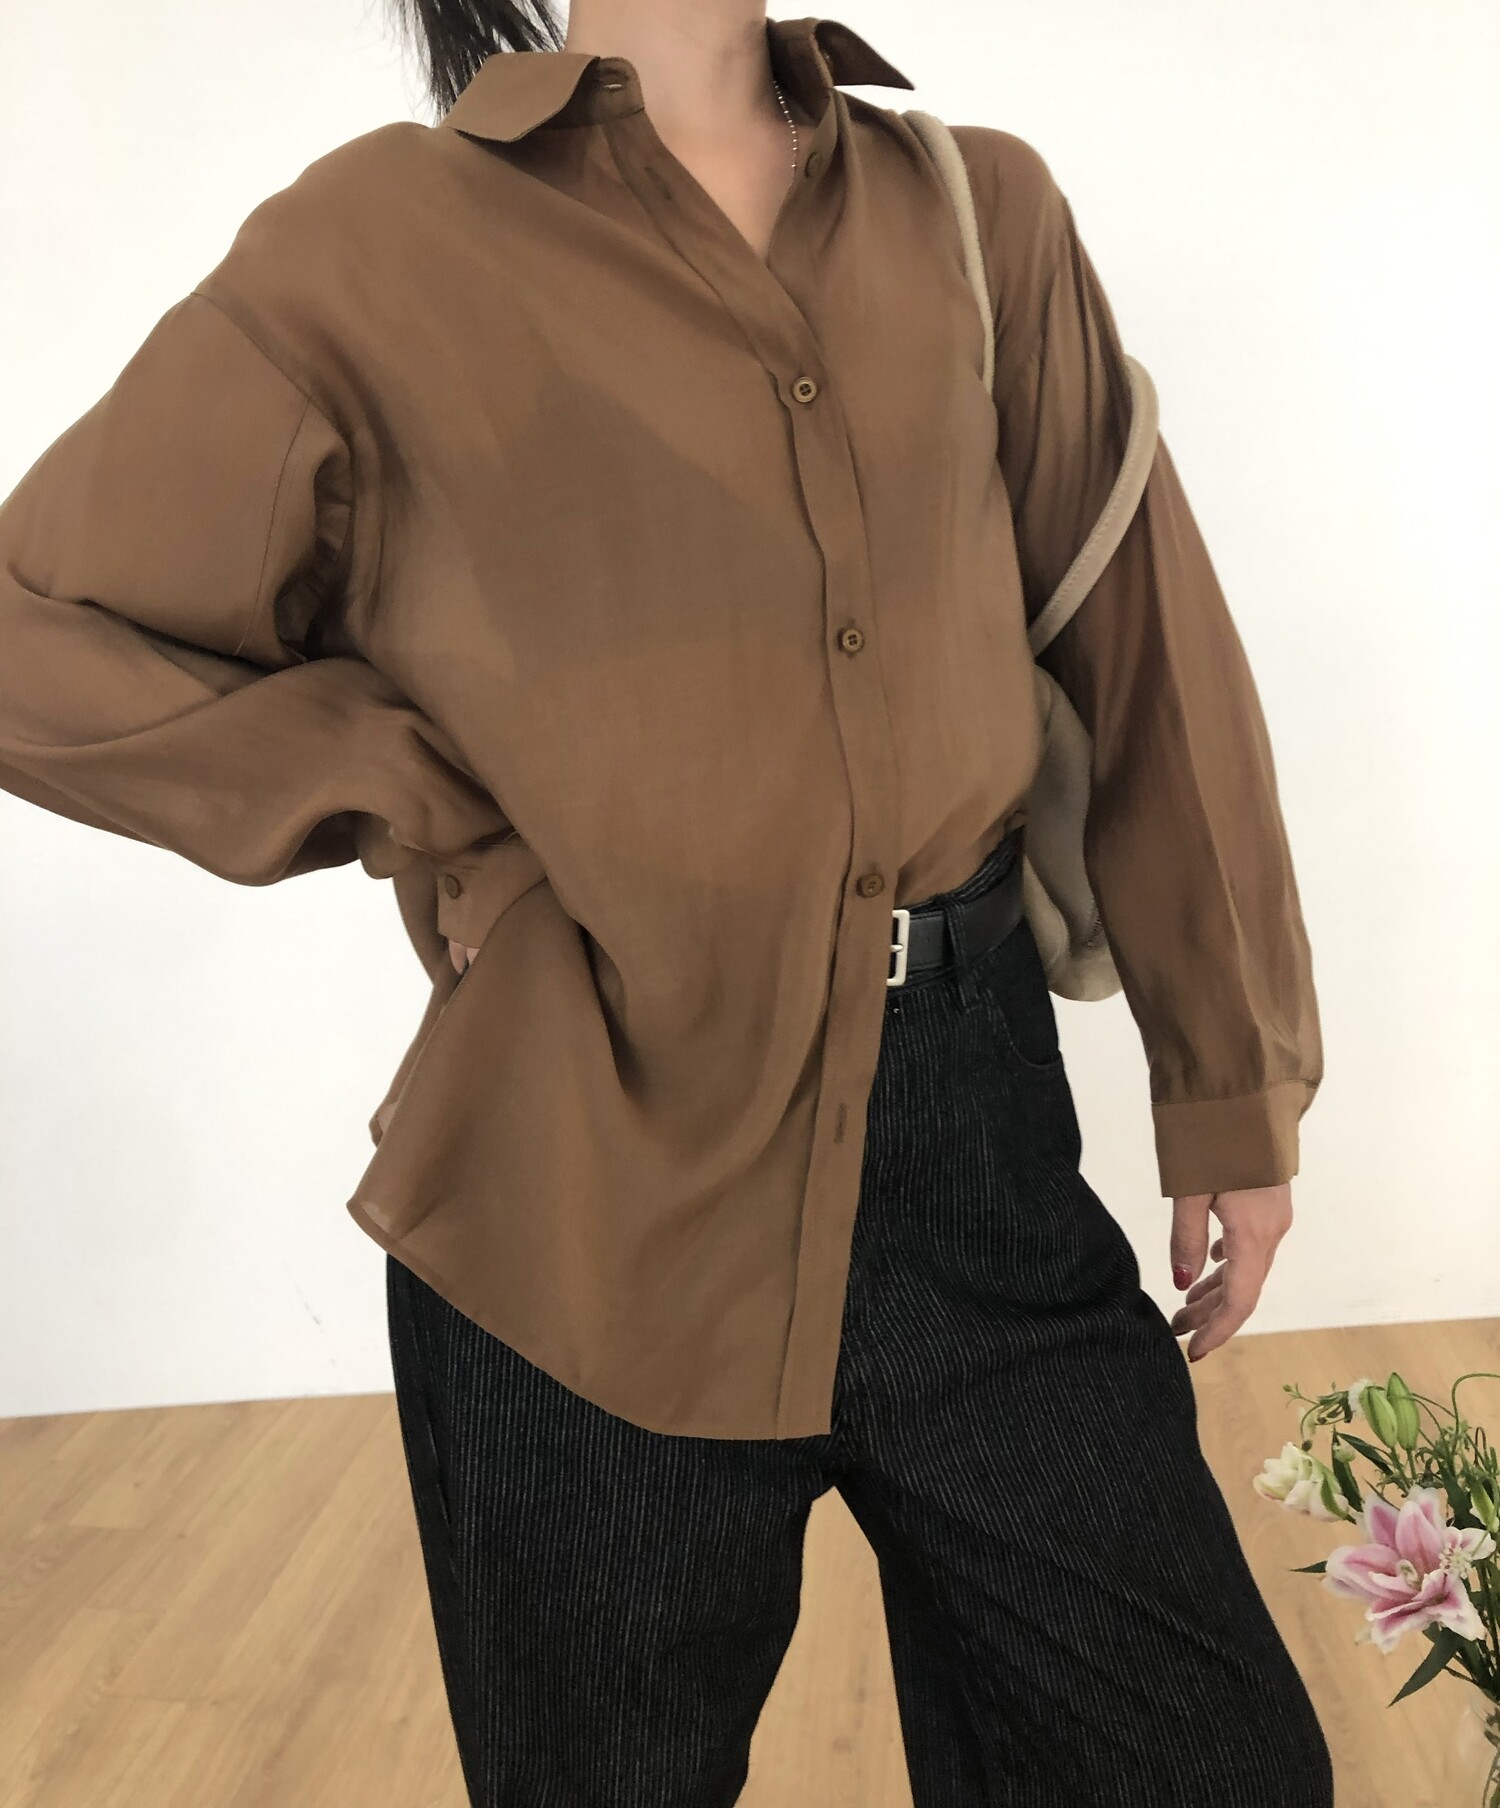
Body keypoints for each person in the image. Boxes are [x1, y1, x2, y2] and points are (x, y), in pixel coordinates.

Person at [0, 1, 1334, 1803]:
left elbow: (1144, 639)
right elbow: (37, 633)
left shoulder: (977, 212)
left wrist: (1230, 1083)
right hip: (581, 1190)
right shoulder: (374, 246)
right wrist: (412, 790)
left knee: (1207, 1765)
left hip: (979, 1139)